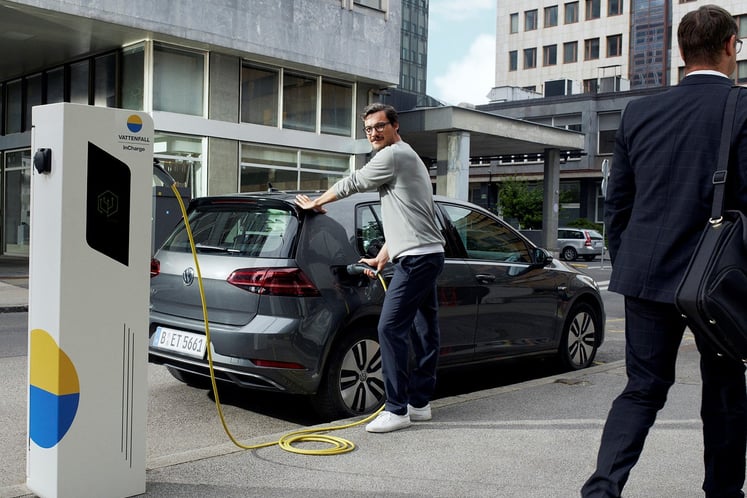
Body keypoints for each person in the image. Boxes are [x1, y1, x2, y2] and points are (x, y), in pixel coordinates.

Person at [581, 5, 747, 497]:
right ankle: (722, 492)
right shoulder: (742, 108)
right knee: (723, 387)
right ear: (730, 46)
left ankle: (602, 489)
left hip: (646, 274)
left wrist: (628, 260)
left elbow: (618, 204)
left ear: (679, 52)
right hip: (717, 282)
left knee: (642, 388)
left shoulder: (639, 112)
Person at [295, 103, 445, 433]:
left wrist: (316, 203)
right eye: (368, 130)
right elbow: (409, 217)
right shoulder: (408, 157)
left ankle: (396, 409)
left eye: (379, 126)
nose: (373, 134)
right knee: (424, 331)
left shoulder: (393, 156)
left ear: (395, 126)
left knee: (390, 329)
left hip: (418, 259)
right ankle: (419, 404)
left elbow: (355, 182)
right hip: (424, 254)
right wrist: (383, 256)